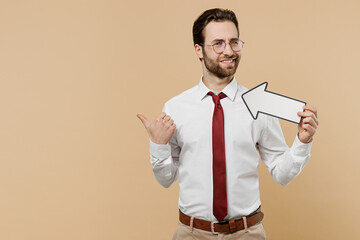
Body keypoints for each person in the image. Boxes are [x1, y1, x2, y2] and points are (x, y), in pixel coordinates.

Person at [137, 8, 318, 240]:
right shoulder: (175, 107)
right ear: (198, 50)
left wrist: (303, 142)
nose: (229, 51)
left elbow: (281, 174)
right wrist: (158, 145)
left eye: (234, 42)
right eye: (218, 44)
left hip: (247, 233)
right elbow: (165, 179)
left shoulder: (259, 104)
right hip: (191, 233)